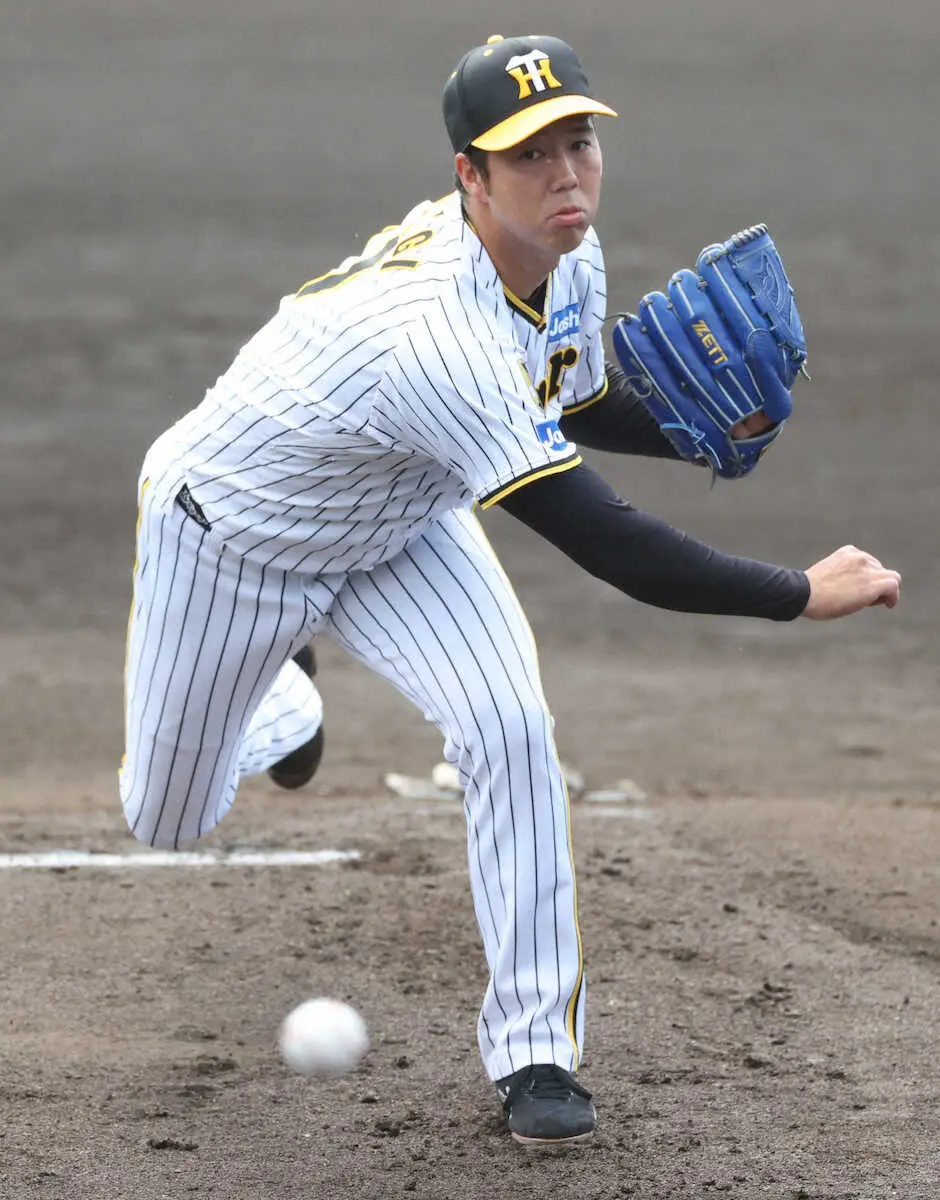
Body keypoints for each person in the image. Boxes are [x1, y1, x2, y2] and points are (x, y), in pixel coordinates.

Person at [120, 33, 901, 1146]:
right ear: (469, 178)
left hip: (400, 519)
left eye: (578, 143)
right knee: (166, 820)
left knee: (509, 729)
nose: (566, 175)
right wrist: (795, 591)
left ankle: (536, 1051)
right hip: (232, 540)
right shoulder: (429, 336)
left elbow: (562, 397)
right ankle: (285, 697)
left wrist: (695, 435)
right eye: (529, 156)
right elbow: (604, 541)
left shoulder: (562, 253)